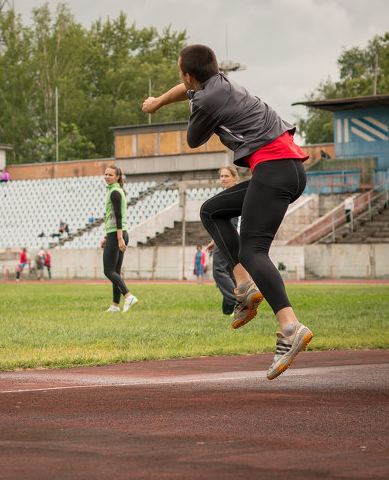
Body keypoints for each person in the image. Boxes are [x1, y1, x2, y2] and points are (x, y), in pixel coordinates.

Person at [142, 44, 312, 380]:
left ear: (189, 75)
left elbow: (193, 138)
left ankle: (290, 327)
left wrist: (187, 101)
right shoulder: (217, 83)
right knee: (211, 211)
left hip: (275, 168)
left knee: (252, 250)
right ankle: (245, 289)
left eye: (181, 74)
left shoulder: (204, 99)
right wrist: (158, 102)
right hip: (287, 168)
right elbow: (189, 89)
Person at [100, 165, 138, 313]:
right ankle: (115, 306)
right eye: (105, 174)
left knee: (108, 271)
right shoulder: (116, 191)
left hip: (117, 234)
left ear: (117, 177)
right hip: (117, 234)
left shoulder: (114, 192)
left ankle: (128, 296)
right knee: (115, 270)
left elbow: (118, 217)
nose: (107, 177)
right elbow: (113, 217)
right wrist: (106, 237)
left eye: (110, 175)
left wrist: (119, 238)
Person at [206, 166, 240, 315]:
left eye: (227, 176)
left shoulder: (234, 193)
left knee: (218, 270)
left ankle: (236, 301)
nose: (224, 179)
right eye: (222, 176)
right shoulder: (226, 194)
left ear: (234, 177)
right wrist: (214, 240)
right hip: (228, 236)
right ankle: (228, 310)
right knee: (229, 272)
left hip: (229, 236)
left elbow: (232, 221)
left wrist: (221, 238)